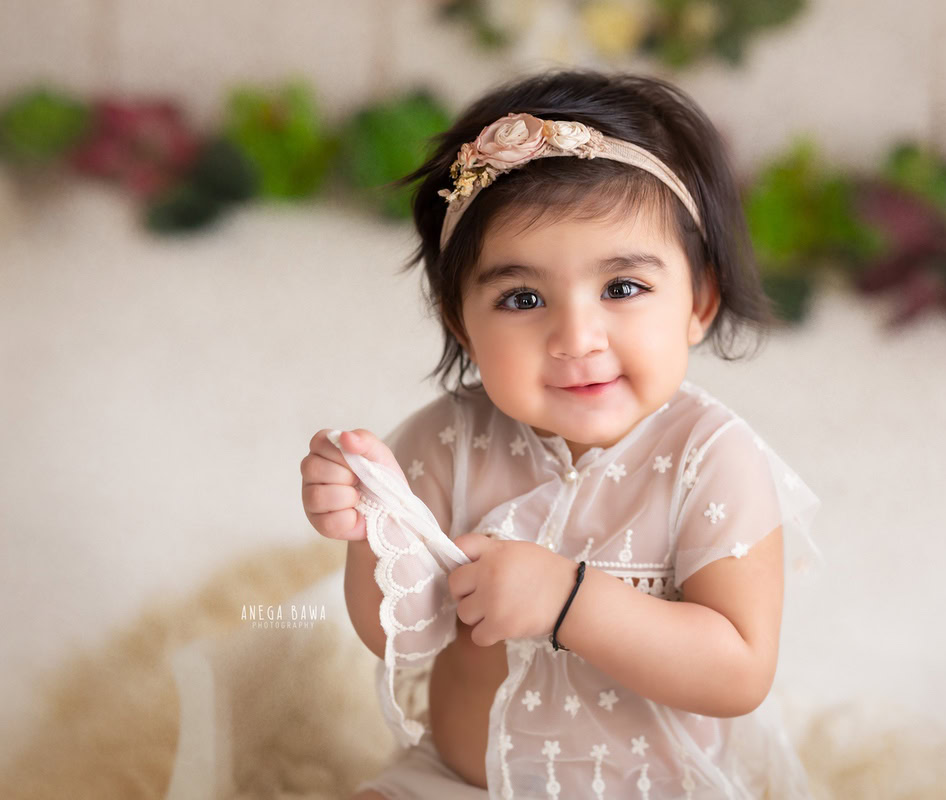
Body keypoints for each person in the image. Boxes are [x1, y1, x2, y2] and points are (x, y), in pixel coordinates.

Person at [300, 67, 825, 800]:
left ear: (698, 302)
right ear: (463, 325)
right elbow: (395, 635)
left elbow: (738, 670)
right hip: (462, 781)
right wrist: (370, 523)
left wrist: (569, 601)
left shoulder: (711, 460)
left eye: (622, 288)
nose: (576, 336)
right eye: (523, 298)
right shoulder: (446, 440)